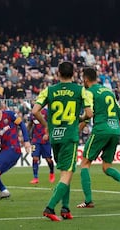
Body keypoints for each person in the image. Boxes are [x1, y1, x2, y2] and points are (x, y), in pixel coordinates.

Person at [32, 61, 93, 221]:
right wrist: (79, 118)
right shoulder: (81, 90)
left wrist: (47, 125)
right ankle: (50, 207)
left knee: (66, 172)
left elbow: (35, 111)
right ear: (74, 73)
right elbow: (89, 113)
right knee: (67, 173)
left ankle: (65, 209)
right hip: (69, 137)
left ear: (58, 73)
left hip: (55, 137)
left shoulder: (49, 90)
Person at [77, 67, 120, 208]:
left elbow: (88, 115)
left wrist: (78, 128)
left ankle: (88, 200)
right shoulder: (108, 91)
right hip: (115, 130)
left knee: (85, 163)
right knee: (106, 166)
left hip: (101, 129)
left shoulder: (88, 92)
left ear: (86, 79)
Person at [0, 99, 31, 201]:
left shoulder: (10, 115)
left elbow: (22, 125)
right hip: (4, 150)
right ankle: (4, 191)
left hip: (13, 149)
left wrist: (26, 141)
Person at [27, 108, 55, 184]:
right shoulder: (33, 113)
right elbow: (30, 124)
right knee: (35, 157)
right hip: (35, 140)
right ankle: (35, 177)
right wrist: (26, 135)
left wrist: (47, 134)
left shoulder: (46, 112)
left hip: (45, 139)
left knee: (48, 159)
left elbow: (52, 124)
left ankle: (52, 172)